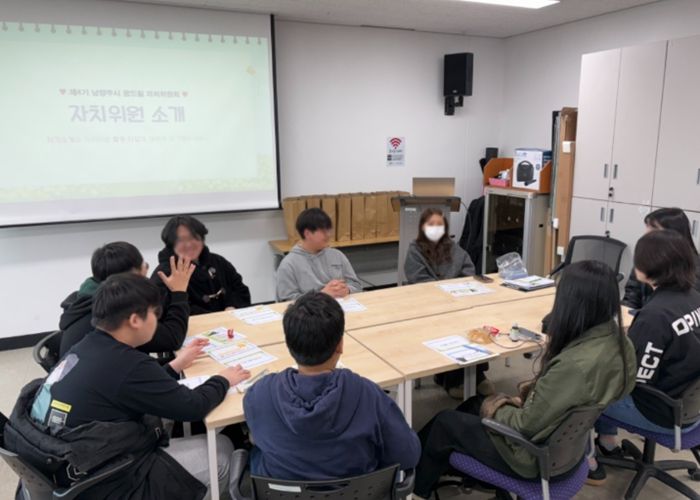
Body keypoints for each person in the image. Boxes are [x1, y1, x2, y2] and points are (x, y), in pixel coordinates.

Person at [7, 273, 251, 499]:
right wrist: (223, 379)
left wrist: (175, 365)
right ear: (135, 320)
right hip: (105, 481)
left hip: (63, 466)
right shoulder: (129, 364)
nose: (158, 321)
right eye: (155, 314)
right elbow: (193, 406)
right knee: (221, 451)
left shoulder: (85, 346)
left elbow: (130, 386)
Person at [412, 261, 636, 498]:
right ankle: (455, 468)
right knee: (472, 405)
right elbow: (623, 388)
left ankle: (414, 488)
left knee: (444, 423)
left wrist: (496, 406)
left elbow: (525, 425)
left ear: (572, 303)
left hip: (533, 457)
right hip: (569, 447)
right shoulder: (622, 344)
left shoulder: (573, 366)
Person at [243, 291, 420, 480]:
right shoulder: (368, 394)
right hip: (359, 492)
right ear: (340, 345)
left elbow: (258, 436)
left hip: (281, 491)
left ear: (288, 345)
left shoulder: (260, 394)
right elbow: (408, 456)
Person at [592, 230, 700, 482]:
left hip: (662, 413)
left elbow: (634, 380)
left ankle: (586, 461)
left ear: (649, 267)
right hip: (688, 403)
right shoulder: (694, 298)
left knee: (584, 389)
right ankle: (607, 442)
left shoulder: (655, 316)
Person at [59, 241, 194, 357]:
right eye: (144, 267)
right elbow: (172, 339)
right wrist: (179, 292)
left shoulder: (85, 296)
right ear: (129, 278)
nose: (146, 274)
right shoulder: (118, 309)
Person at [152, 215, 251, 314]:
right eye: (181, 240)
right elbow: (166, 312)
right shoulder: (164, 273)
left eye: (193, 238)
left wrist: (233, 306)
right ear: (171, 244)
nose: (189, 244)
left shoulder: (218, 261)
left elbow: (240, 290)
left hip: (230, 320)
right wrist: (213, 318)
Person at [275, 208, 362, 302]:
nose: (329, 235)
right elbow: (286, 300)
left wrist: (347, 290)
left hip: (341, 307)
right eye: (324, 231)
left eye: (329, 230)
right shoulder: (289, 264)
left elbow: (357, 285)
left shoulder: (337, 255)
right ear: (307, 234)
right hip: (311, 310)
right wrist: (322, 295)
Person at [623, 207, 700, 310]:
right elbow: (631, 296)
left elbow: (684, 307)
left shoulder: (693, 267)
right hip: (643, 315)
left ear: (673, 234)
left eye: (654, 229)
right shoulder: (646, 256)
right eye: (647, 228)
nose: (646, 234)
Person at [405, 208, 475, 284]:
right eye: (431, 224)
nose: (435, 228)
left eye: (439, 225)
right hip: (425, 290)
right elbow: (417, 278)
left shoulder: (453, 247)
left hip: (454, 289)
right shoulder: (415, 250)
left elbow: (468, 269)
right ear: (422, 227)